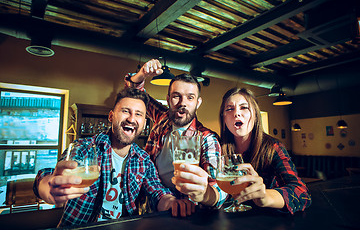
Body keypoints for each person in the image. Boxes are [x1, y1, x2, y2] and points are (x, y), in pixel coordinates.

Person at [33, 88, 182, 227]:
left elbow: (157, 192)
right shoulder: (85, 148)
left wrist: (173, 203)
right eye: (125, 111)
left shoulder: (144, 160)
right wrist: (47, 187)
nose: (131, 118)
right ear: (111, 116)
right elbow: (48, 176)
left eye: (138, 114)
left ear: (143, 123)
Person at [124, 59, 227, 211]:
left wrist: (207, 195)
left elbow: (218, 189)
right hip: (153, 205)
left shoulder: (206, 138)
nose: (182, 103)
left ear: (198, 103)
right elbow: (137, 94)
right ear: (168, 99)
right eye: (176, 96)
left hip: (187, 212)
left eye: (190, 97)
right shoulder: (163, 118)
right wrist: (141, 74)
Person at [218, 87, 311, 214]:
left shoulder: (273, 148)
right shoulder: (217, 148)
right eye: (229, 109)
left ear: (255, 115)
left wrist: (266, 197)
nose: (236, 113)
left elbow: (302, 193)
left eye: (244, 107)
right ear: (224, 118)